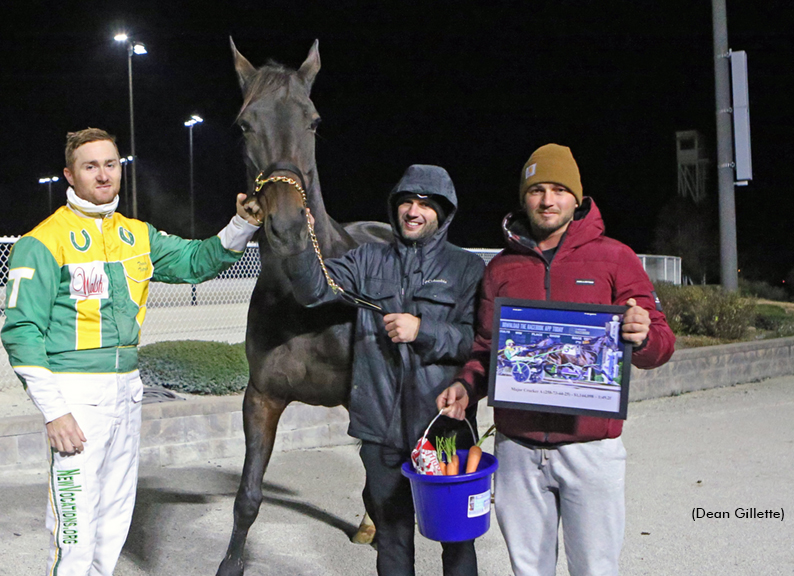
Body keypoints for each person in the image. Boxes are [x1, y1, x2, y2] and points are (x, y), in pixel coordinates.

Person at [0, 128, 262, 576]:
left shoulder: (137, 235)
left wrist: (244, 223)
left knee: (114, 521)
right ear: (69, 174)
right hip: (76, 401)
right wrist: (54, 412)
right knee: (74, 533)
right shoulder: (43, 241)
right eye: (90, 166)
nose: (103, 175)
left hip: (127, 393)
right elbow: (20, 332)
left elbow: (198, 261)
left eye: (110, 164)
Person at [437, 144, 675, 576]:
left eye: (560, 190)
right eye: (538, 190)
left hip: (591, 449)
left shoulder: (615, 258)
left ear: (577, 198)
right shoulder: (502, 269)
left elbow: (661, 344)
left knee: (595, 569)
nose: (548, 200)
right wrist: (466, 385)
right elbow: (487, 349)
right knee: (529, 570)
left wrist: (641, 337)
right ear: (524, 197)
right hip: (518, 449)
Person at [284, 165, 486, 576]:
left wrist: (423, 330)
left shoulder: (466, 269)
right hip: (380, 428)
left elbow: (475, 342)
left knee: (456, 536)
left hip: (443, 429)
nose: (413, 211)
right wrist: (296, 237)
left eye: (426, 205)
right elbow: (313, 291)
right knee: (391, 537)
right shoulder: (366, 259)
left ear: (444, 213)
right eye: (407, 202)